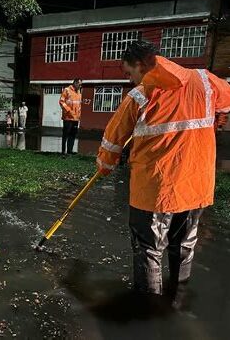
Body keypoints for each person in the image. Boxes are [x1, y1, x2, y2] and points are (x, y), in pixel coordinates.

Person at [96, 41, 230, 299]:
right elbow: (227, 101)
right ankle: (177, 298)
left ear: (139, 64)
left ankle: (150, 308)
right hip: (195, 186)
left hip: (155, 191)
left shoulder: (140, 95)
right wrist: (218, 118)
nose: (130, 80)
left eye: (128, 73)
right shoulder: (205, 81)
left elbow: (112, 140)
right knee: (184, 244)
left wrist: (105, 165)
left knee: (148, 248)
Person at [59, 78, 88, 154]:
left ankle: (69, 151)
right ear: (75, 83)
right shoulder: (67, 90)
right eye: (79, 84)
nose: (80, 86)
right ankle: (63, 151)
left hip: (76, 118)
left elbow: (78, 104)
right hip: (68, 117)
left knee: (73, 135)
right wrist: (69, 111)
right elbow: (61, 102)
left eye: (81, 84)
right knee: (65, 134)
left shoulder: (79, 92)